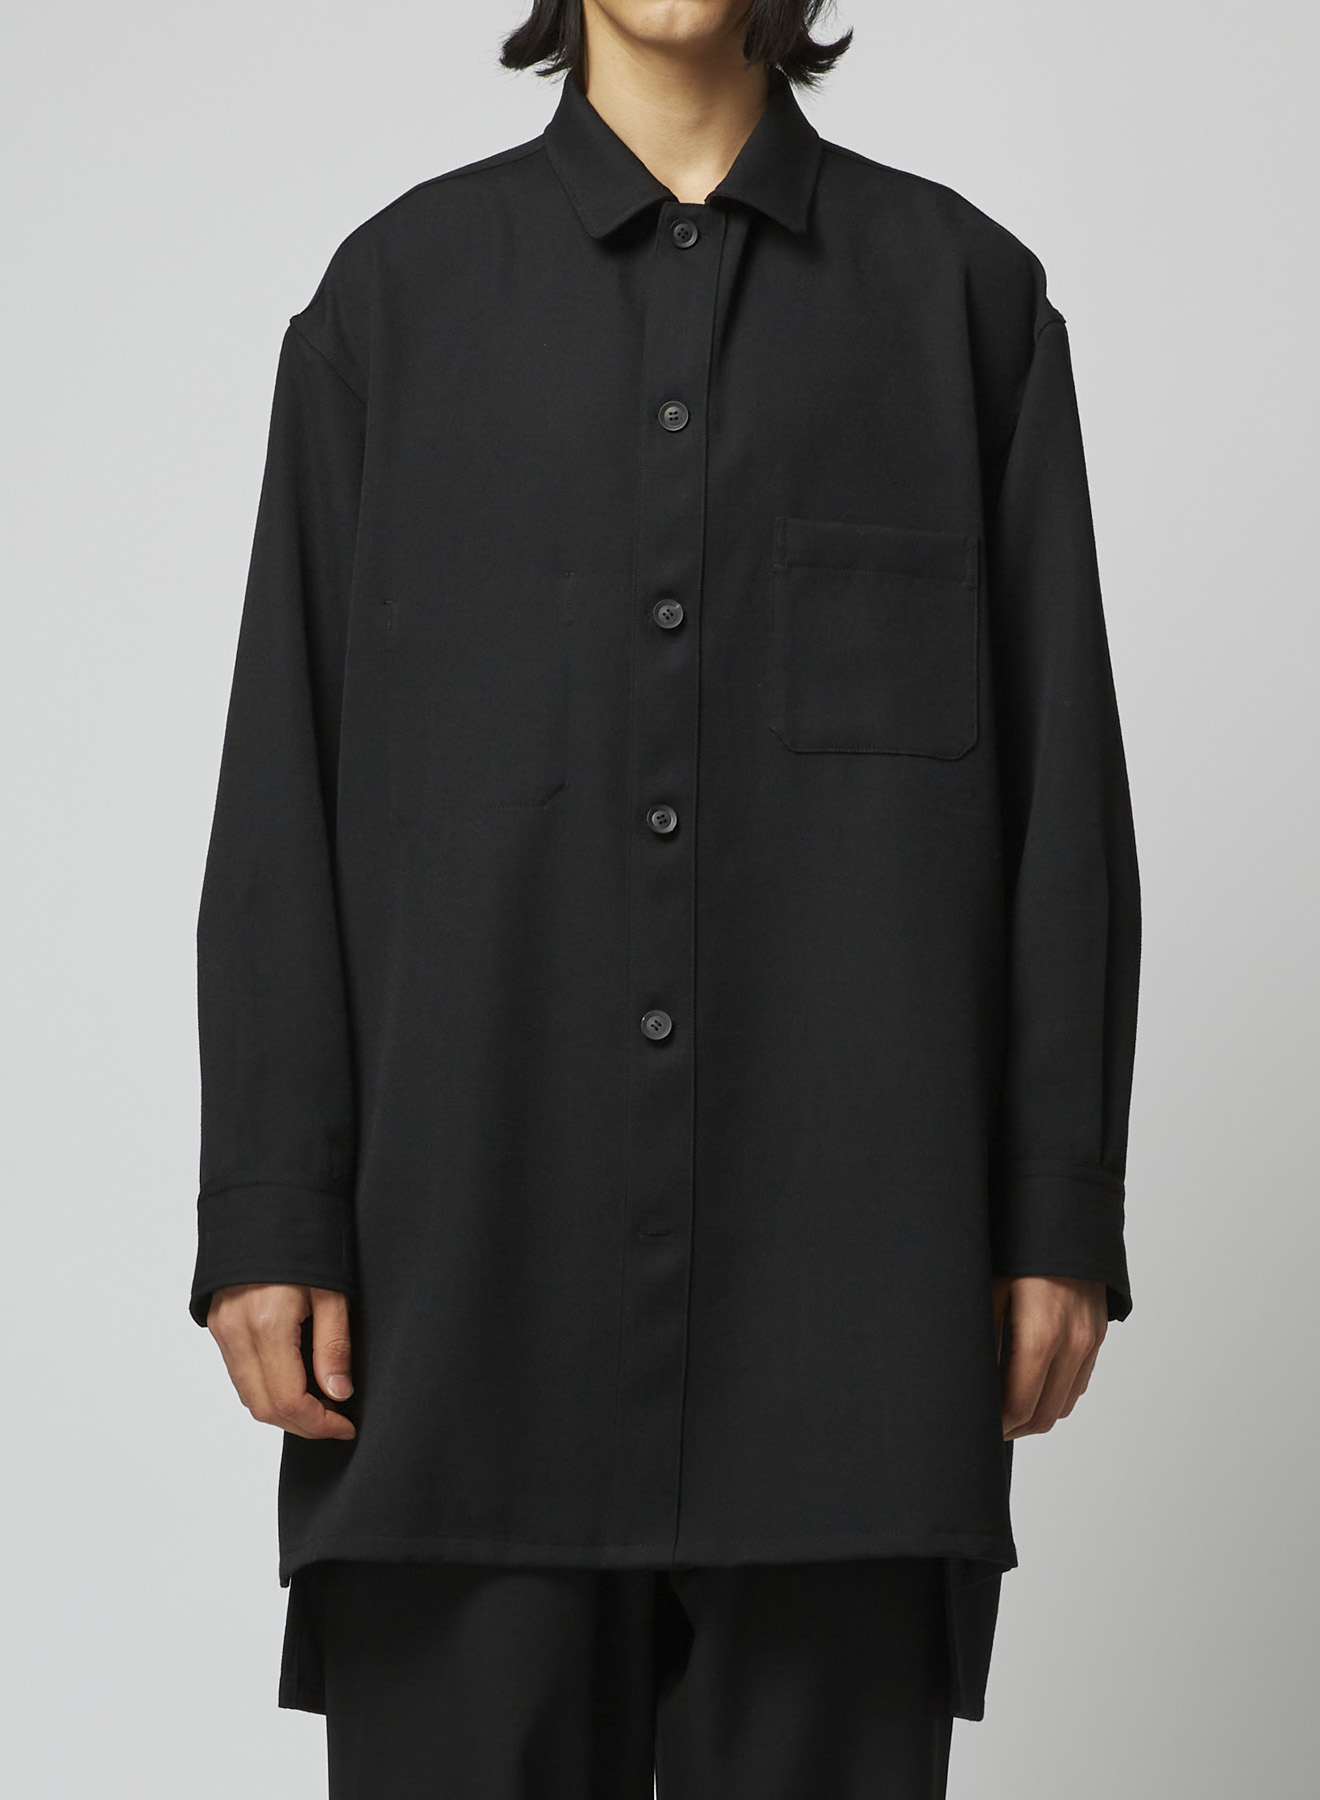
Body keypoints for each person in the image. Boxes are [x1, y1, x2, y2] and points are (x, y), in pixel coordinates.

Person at [190, 2, 1141, 1795]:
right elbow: (279, 789)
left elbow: (1061, 803)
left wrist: (1055, 1207)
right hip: (458, 1320)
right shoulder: (390, 308)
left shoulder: (967, 307)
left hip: (851, 1335)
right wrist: (268, 1208)